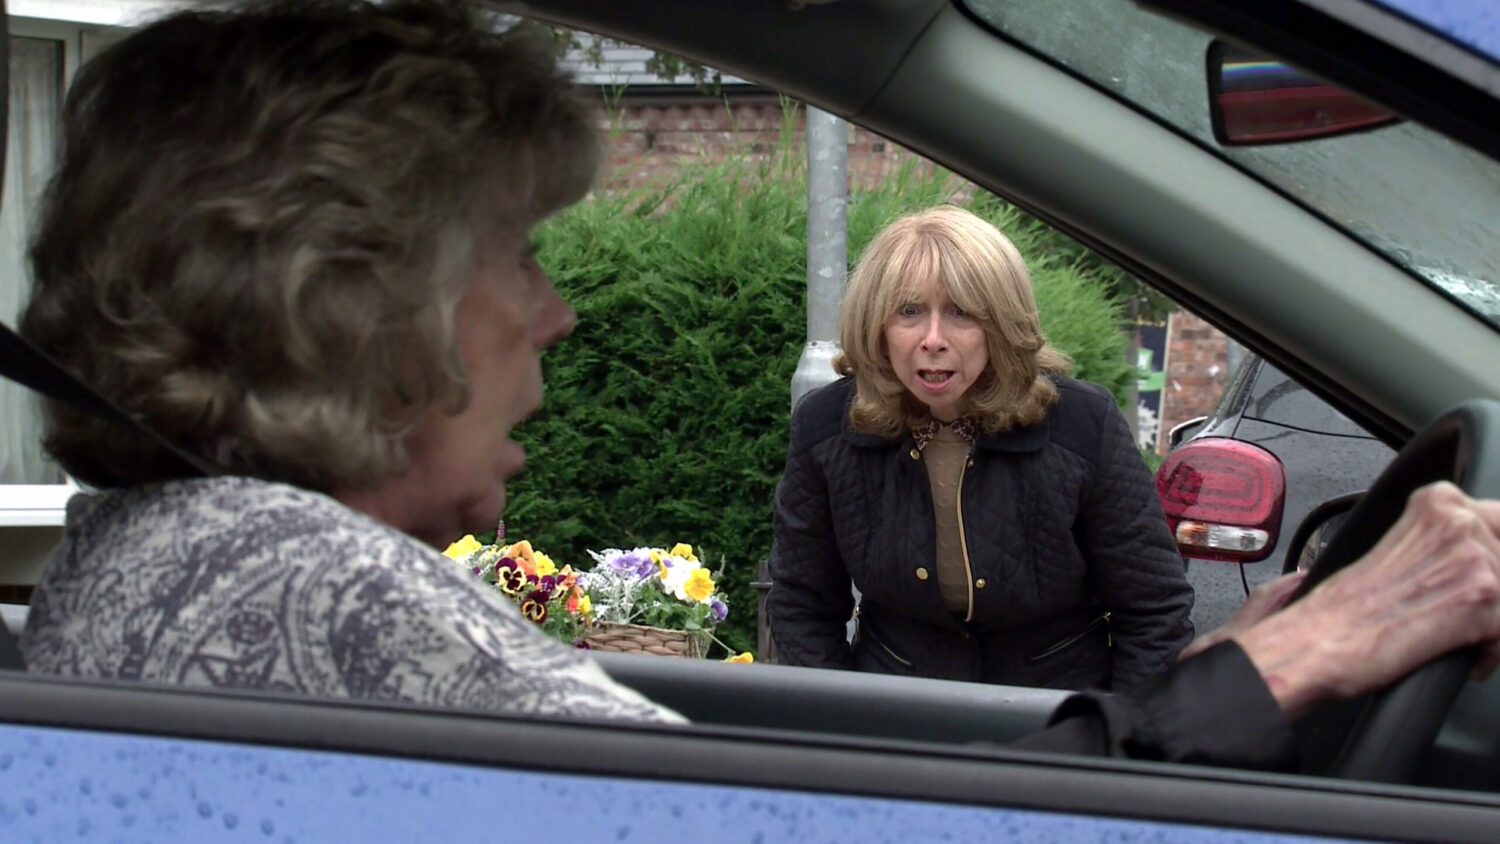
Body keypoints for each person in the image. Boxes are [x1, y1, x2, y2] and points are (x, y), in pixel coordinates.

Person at [12, 0, 1500, 773]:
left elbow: (1125, 624)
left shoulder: (205, 563)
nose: (560, 310)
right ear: (348, 294)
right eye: (515, 254)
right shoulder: (298, 592)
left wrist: (1239, 671)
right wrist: (1278, 678)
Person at [768, 206, 1192, 692]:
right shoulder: (826, 427)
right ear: (877, 326)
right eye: (909, 311)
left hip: (1059, 713)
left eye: (961, 312)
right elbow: (802, 604)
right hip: (897, 709)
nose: (933, 339)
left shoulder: (1082, 424)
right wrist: (840, 725)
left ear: (1001, 325)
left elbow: (1155, 609)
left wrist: (1117, 740)